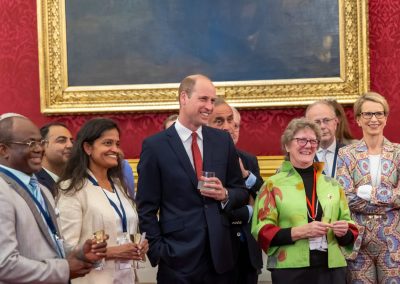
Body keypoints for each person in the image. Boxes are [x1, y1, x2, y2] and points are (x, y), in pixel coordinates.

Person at [137, 74, 248, 283]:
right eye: (203, 99)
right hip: (177, 260)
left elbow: (240, 192)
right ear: (184, 98)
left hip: (221, 260)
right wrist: (159, 251)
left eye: (212, 101)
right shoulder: (155, 146)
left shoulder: (222, 141)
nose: (209, 106)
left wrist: (224, 194)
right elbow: (146, 208)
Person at [0, 115, 107, 283]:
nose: (38, 149)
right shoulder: (2, 190)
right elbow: (4, 264)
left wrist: (79, 252)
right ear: (3, 150)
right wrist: (64, 268)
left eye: (40, 142)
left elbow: (51, 243)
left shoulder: (42, 189)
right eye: (30, 143)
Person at [252, 117, 358, 284]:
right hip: (290, 270)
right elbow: (262, 231)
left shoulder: (332, 185)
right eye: (301, 140)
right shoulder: (272, 184)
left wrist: (344, 231)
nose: (308, 145)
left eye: (313, 141)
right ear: (287, 145)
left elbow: (350, 227)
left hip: (332, 270)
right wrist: (301, 232)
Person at [57, 118, 149, 284]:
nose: (115, 149)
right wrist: (114, 252)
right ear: (88, 148)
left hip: (128, 278)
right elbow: (66, 249)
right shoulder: (72, 189)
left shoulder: (120, 186)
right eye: (108, 143)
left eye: (117, 143)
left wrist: (139, 247)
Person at [336, 92, 400, 283]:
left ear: (386, 118)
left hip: (393, 241)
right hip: (358, 242)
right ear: (358, 119)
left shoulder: (398, 153)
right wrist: (389, 200)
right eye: (368, 114)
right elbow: (346, 198)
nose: (374, 119)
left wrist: (367, 192)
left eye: (379, 114)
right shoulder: (346, 154)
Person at [208, 98, 262, 284]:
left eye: (231, 121)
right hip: (215, 253)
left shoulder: (248, 160)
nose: (228, 127)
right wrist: (248, 211)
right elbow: (209, 207)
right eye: (219, 121)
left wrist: (246, 175)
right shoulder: (200, 159)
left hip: (247, 254)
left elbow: (263, 198)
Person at [305, 100, 346, 178]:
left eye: (326, 120)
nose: (322, 126)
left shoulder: (349, 154)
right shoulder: (301, 156)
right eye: (317, 122)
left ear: (335, 122)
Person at [36, 122, 74, 196]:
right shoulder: (35, 182)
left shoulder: (76, 179)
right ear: (42, 146)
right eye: (62, 140)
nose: (70, 145)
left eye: (72, 141)